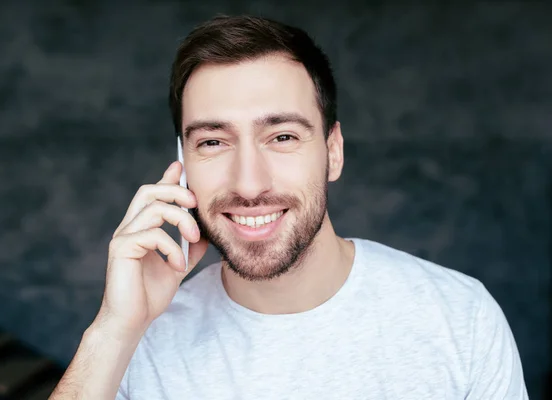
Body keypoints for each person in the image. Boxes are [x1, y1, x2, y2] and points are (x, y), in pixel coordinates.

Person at [50, 15, 528, 400]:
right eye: (214, 141)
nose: (250, 183)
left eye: (282, 137)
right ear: (182, 163)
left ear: (332, 151)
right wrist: (112, 331)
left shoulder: (459, 319)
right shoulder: (139, 342)